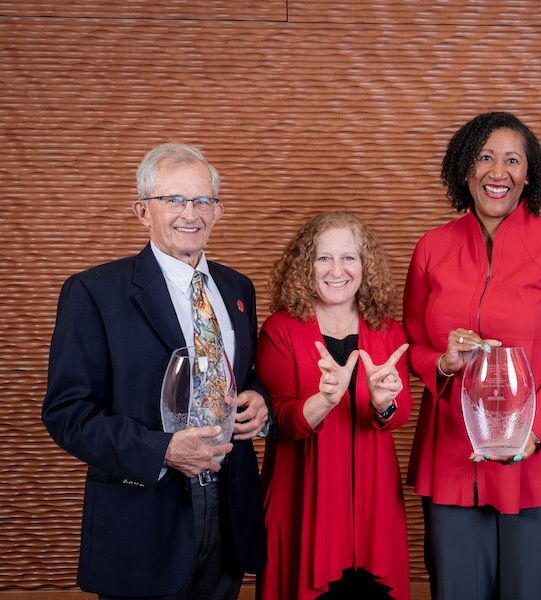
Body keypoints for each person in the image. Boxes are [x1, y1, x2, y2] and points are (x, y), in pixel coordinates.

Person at [42, 142, 271, 599]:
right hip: (143, 516)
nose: (191, 213)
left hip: (229, 508)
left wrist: (258, 398)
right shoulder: (94, 292)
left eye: (202, 200)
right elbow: (68, 413)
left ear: (218, 211)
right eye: (174, 199)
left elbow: (241, 374)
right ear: (142, 211)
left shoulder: (237, 288)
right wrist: (162, 450)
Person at [403, 111, 541, 600]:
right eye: (485, 158)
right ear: (465, 169)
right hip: (453, 450)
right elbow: (412, 342)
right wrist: (443, 363)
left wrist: (531, 433)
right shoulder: (431, 247)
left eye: (512, 160)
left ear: (528, 175)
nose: (498, 172)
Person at [255, 211, 411, 600]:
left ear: (365, 265)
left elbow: (401, 412)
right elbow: (280, 421)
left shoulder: (388, 330)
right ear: (305, 266)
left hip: (373, 503)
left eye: (348, 258)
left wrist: (384, 405)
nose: (336, 270)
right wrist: (325, 400)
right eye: (323, 258)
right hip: (304, 502)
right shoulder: (280, 329)